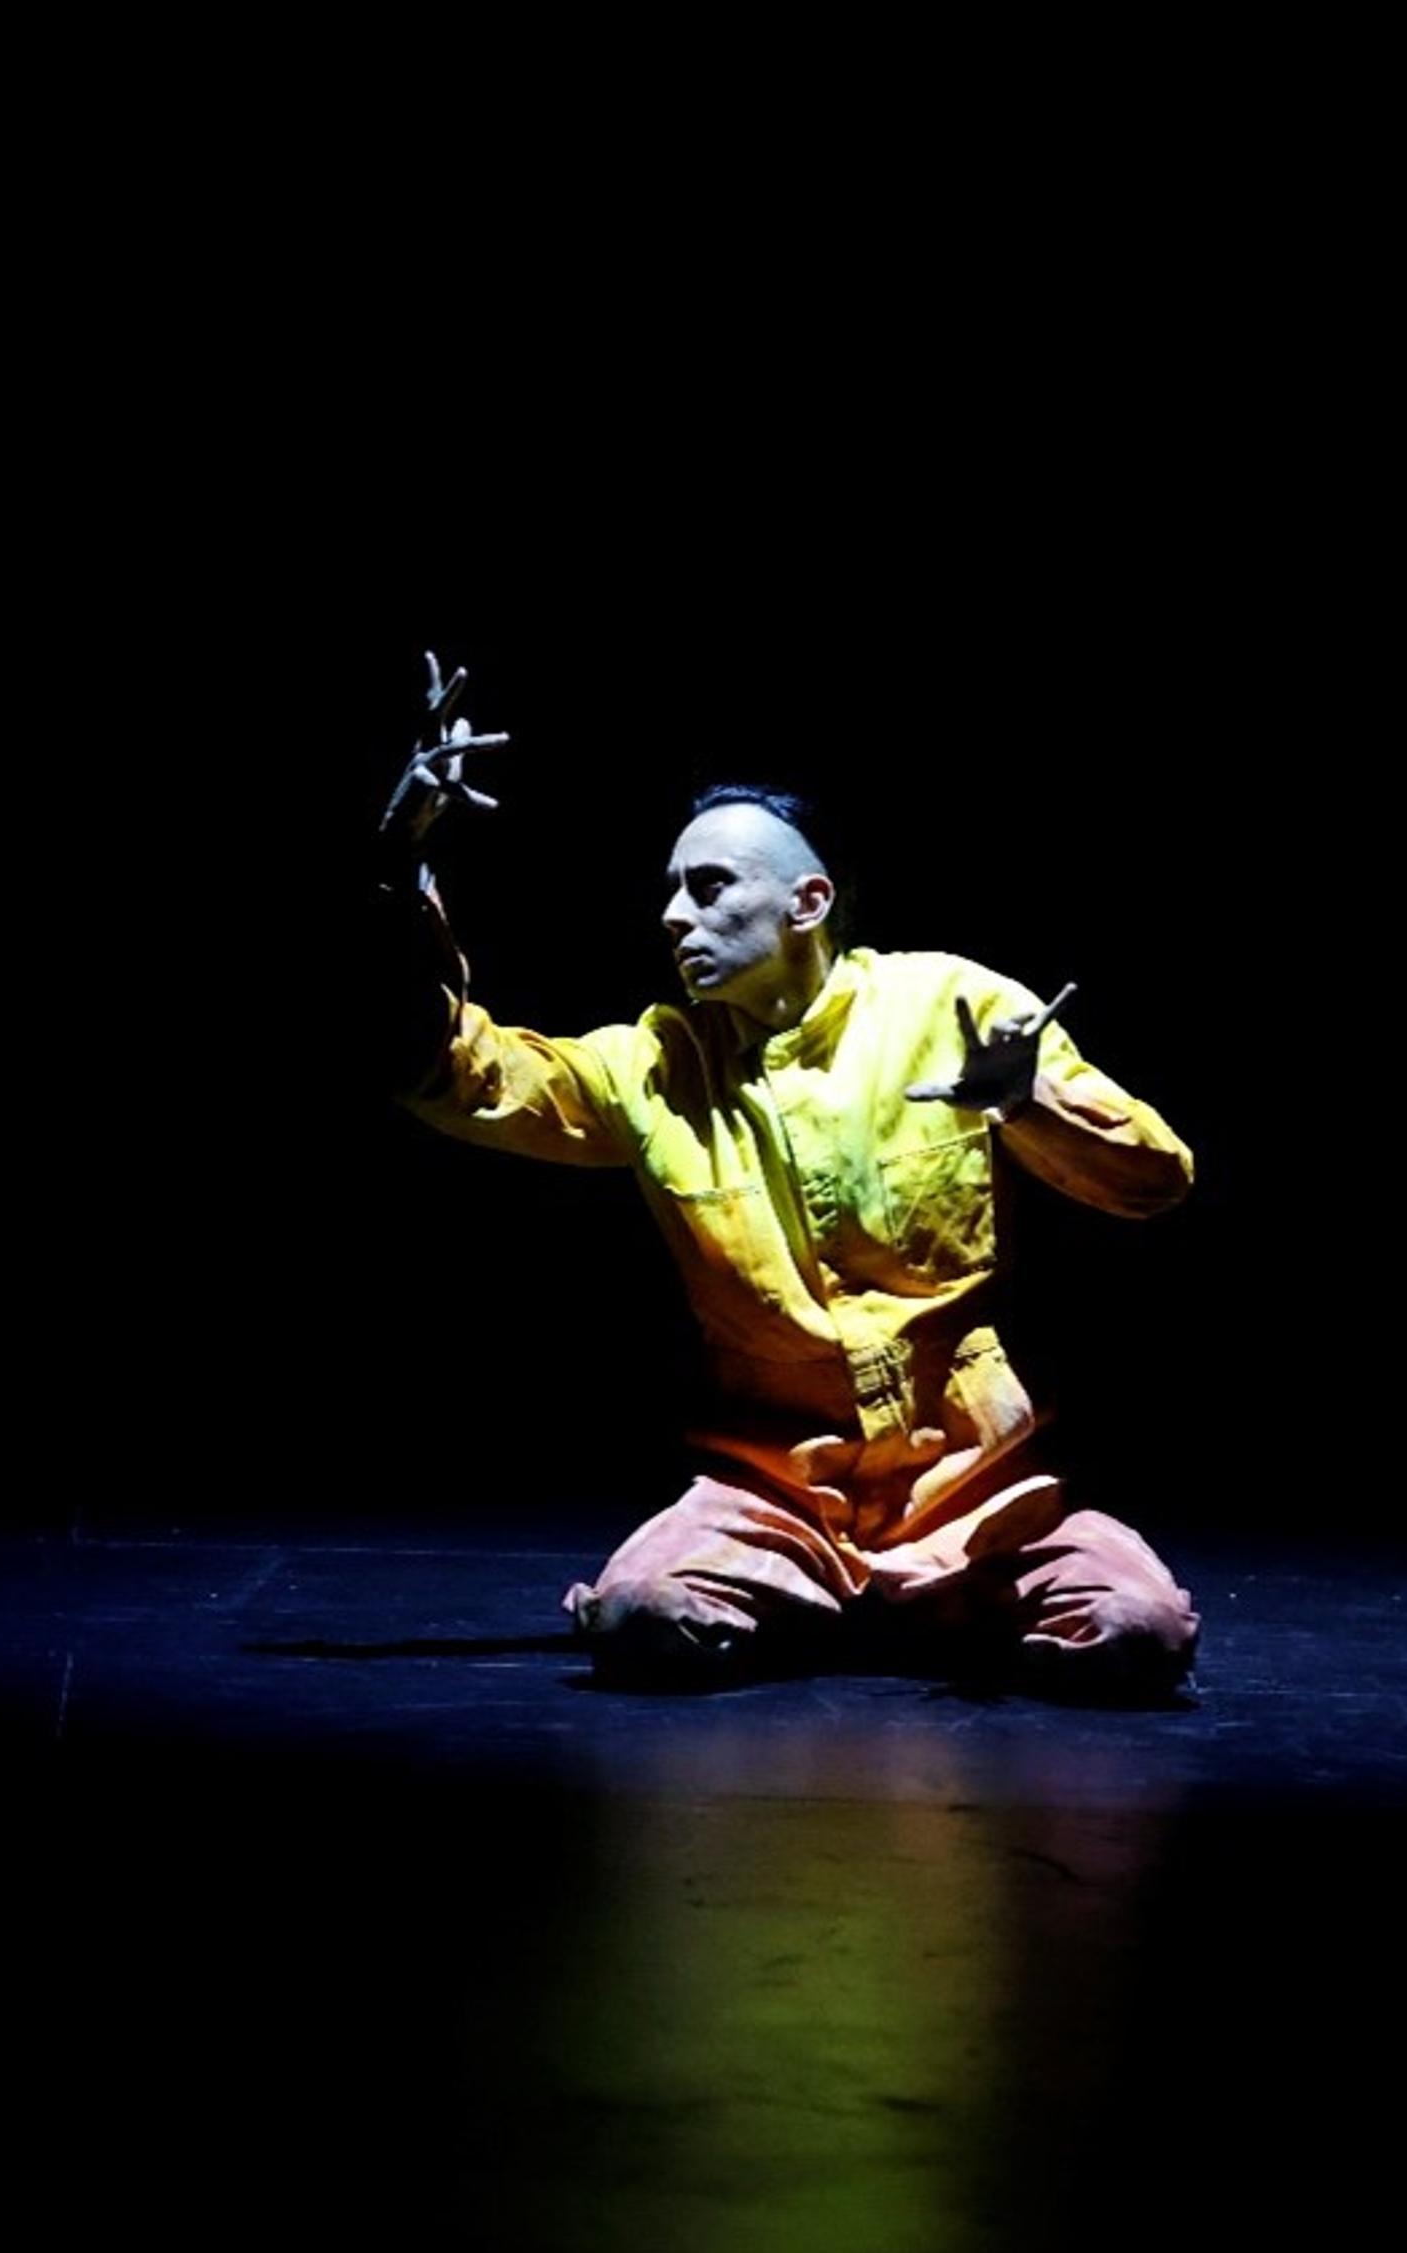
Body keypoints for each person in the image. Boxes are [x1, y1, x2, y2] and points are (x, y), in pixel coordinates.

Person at [362, 654, 1204, 1698]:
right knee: (641, 1614)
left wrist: (1026, 1098)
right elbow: (459, 1076)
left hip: (977, 1491)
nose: (673, 915)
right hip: (777, 1494)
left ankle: (904, 1600)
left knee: (1137, 1629)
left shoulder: (950, 1005)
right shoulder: (652, 1068)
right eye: (669, 891)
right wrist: (397, 874)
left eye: (708, 886)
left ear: (808, 901)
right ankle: (847, 1601)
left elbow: (1155, 1179)